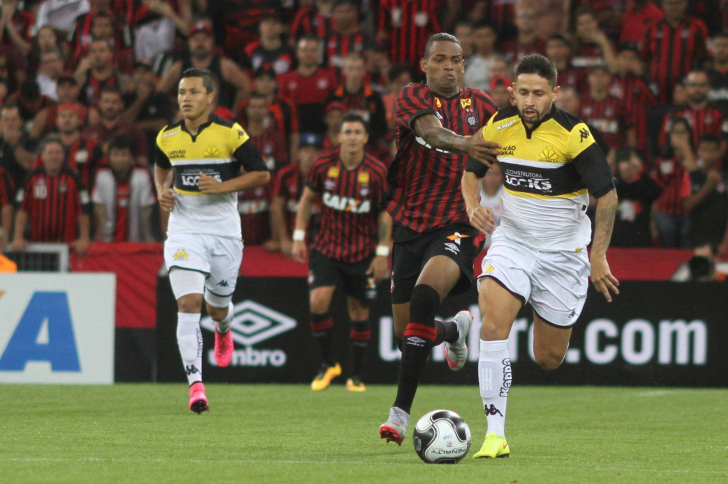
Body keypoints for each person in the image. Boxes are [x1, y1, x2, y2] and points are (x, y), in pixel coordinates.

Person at [462, 54, 618, 458]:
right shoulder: (499, 125)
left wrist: (598, 256)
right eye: (524, 92)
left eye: (539, 93)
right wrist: (472, 204)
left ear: (555, 94)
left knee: (547, 358)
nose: (530, 101)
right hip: (513, 242)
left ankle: (460, 332)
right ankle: (494, 435)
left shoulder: (573, 134)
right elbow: (469, 172)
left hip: (563, 255)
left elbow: (607, 195)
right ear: (512, 91)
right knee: (493, 325)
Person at [378, 33, 499, 445]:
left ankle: (399, 415)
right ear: (425, 64)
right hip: (411, 223)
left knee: (425, 297)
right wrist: (469, 143)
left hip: (456, 223)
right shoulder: (411, 97)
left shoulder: (484, 107)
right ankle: (454, 331)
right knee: (405, 333)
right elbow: (431, 133)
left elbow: (510, 150)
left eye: (457, 60)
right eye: (441, 60)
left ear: (464, 65)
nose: (449, 66)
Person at [154, 68, 270, 413]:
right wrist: (162, 190)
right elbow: (161, 167)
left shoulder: (230, 132)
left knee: (217, 307)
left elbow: (262, 173)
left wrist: (222, 187)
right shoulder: (167, 136)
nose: (185, 99)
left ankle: (224, 327)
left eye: (192, 92)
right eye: (180, 93)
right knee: (189, 304)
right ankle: (196, 385)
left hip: (223, 233)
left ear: (210, 97)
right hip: (184, 231)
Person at [292, 113, 391, 392]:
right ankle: (328, 364)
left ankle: (356, 376)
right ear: (338, 137)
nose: (352, 137)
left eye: (357, 132)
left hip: (362, 253)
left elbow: (385, 214)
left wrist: (382, 253)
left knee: (359, 309)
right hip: (326, 248)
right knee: (317, 301)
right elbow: (306, 200)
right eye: (347, 132)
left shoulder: (376, 171)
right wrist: (299, 237)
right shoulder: (323, 164)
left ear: (365, 138)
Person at [12, 136, 92, 255]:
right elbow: (22, 209)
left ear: (63, 156)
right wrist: (17, 237)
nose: (54, 157)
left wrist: (84, 238)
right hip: (36, 247)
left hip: (67, 249)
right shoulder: (31, 178)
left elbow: (83, 211)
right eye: (50, 153)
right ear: (42, 156)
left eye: (57, 153)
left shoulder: (74, 179)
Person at [93, 134, 156, 242]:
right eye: (115, 154)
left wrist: (148, 238)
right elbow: (99, 211)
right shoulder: (102, 177)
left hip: (135, 242)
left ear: (132, 157)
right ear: (108, 157)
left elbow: (145, 212)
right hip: (108, 242)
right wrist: (99, 239)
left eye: (124, 155)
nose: (119, 159)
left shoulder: (142, 176)